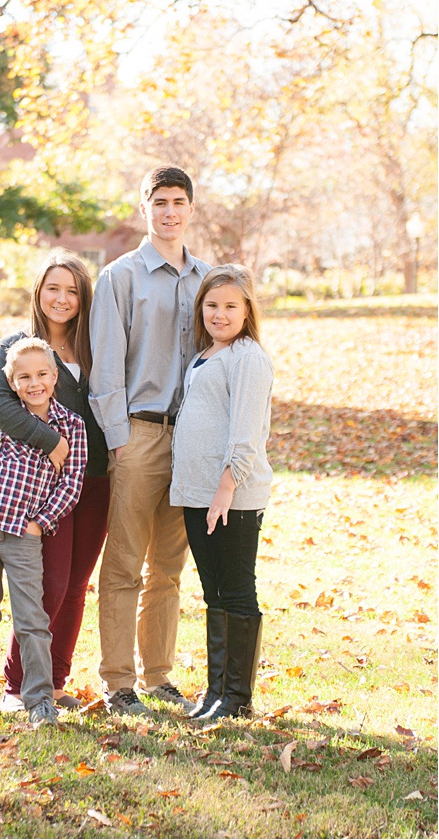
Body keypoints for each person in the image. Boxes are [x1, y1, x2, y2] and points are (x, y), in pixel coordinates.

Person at [89, 165, 212, 715]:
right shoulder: (121, 277)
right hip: (138, 435)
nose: (169, 211)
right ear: (145, 208)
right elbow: (107, 366)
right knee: (122, 564)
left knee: (168, 566)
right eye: (159, 201)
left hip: (192, 439)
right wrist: (118, 440)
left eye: (178, 201)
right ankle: (118, 682)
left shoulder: (209, 279)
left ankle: (157, 675)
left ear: (191, 208)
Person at [0, 250, 111, 713]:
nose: (62, 298)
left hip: (95, 477)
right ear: (38, 291)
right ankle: (19, 685)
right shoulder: (15, 345)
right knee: (49, 583)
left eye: (72, 291)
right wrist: (51, 441)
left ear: (83, 299)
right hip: (41, 484)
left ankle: (55, 682)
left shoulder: (97, 347)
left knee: (77, 584)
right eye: (53, 288)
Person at [0, 337, 87, 726]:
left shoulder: (72, 427)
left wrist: (39, 524)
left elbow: (71, 484)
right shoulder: (4, 419)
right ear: (12, 383)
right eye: (24, 377)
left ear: (55, 376)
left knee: (32, 619)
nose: (34, 383)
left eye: (42, 374)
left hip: (24, 537)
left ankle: (39, 699)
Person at [171, 265, 273, 720]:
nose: (220, 313)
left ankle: (237, 699)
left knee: (235, 590)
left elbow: (246, 432)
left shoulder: (248, 356)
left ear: (247, 309)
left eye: (231, 305)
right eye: (212, 305)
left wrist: (225, 488)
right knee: (212, 592)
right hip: (197, 492)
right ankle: (216, 693)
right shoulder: (204, 355)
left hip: (231, 495)